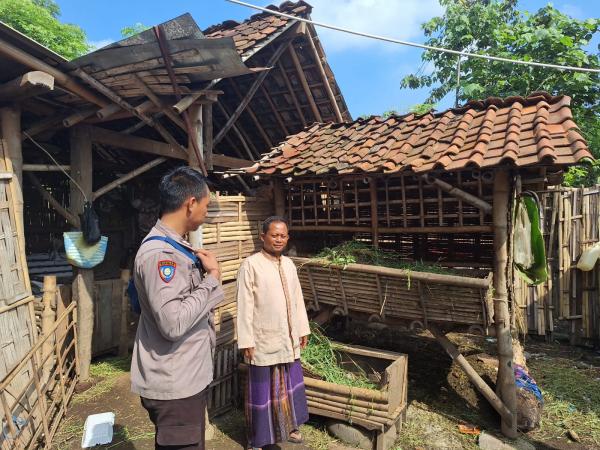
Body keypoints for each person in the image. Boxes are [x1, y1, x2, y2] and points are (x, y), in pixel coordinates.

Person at [131, 166, 224, 450]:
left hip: (183, 378)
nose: (206, 213)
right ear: (191, 204)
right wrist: (212, 280)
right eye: (206, 206)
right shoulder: (161, 255)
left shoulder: (174, 246)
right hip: (175, 384)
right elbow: (173, 323)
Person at [236, 216, 311, 450]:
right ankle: (258, 440)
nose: (279, 239)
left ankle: (289, 427)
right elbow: (244, 304)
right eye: (274, 235)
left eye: (283, 236)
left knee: (287, 386)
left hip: (287, 337)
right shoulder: (251, 264)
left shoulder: (289, 264)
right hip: (262, 338)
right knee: (262, 392)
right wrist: (246, 339)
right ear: (263, 237)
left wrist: (302, 328)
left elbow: (298, 300)